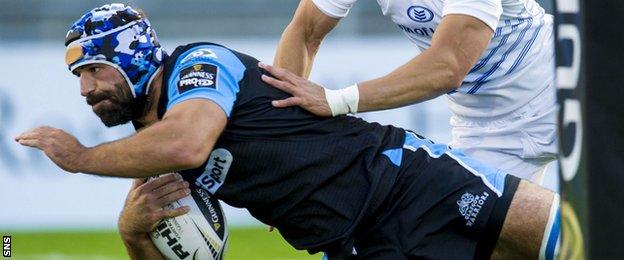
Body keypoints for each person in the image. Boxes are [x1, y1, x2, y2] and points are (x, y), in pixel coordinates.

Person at [15, 4, 560, 259]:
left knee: (572, 239)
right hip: (349, 243)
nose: (83, 90)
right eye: (75, 77)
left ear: (132, 55)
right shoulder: (149, 147)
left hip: (406, 182)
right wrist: (133, 233)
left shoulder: (198, 66)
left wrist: (80, 157)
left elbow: (188, 140)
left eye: (91, 70)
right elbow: (305, 25)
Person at [262, 0, 557, 183]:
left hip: (559, 93)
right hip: (484, 128)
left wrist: (337, 100)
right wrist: (284, 151)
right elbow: (304, 32)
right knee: (469, 243)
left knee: (602, 209)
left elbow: (448, 67)